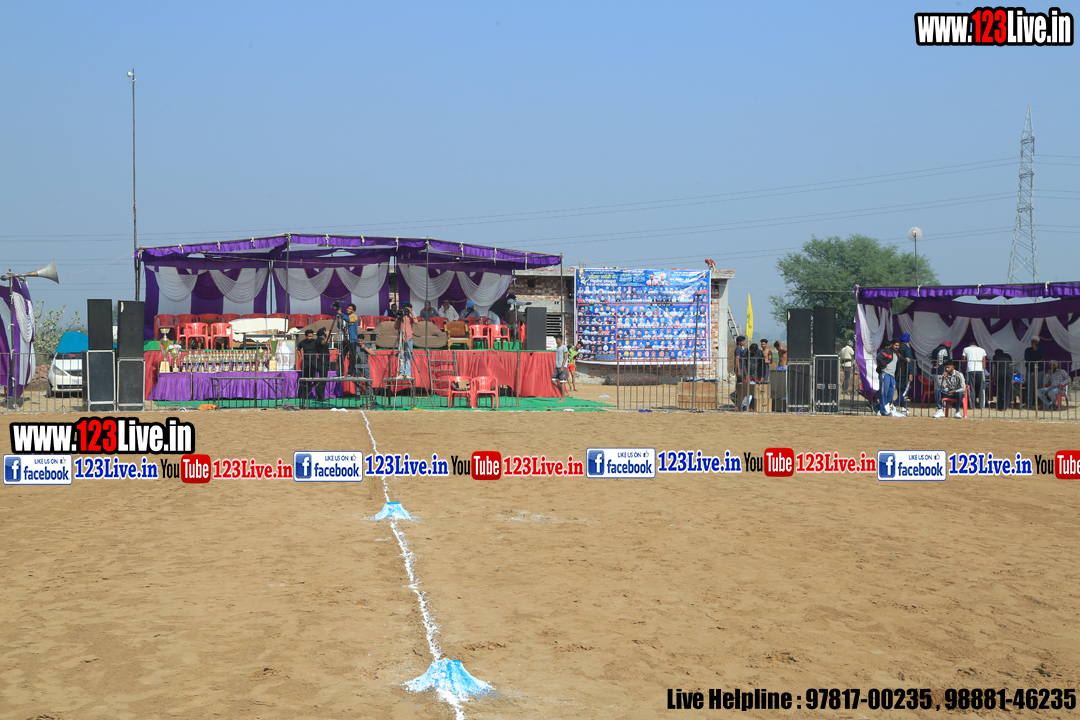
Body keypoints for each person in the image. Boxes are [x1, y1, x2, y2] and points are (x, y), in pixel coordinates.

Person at [875, 338, 904, 417]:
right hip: (885, 373)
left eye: (898, 345)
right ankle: (883, 410)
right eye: (895, 345)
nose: (897, 347)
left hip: (892, 376)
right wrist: (883, 364)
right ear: (892, 345)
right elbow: (879, 358)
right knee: (883, 393)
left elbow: (901, 358)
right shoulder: (887, 352)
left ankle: (877, 407)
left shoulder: (897, 353)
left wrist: (907, 360)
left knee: (891, 394)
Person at [297, 329, 326, 401]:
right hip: (306, 363)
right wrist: (301, 357)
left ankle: (319, 396)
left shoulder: (315, 342)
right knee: (305, 380)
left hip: (314, 363)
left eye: (312, 336)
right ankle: (304, 396)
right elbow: (298, 349)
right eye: (309, 336)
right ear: (306, 336)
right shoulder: (302, 342)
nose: (311, 338)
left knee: (316, 380)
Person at [335, 303, 360, 380]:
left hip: (352, 340)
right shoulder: (344, 317)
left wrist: (340, 313)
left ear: (353, 311)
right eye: (347, 308)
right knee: (340, 356)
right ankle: (340, 373)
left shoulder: (354, 316)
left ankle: (350, 373)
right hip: (345, 340)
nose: (347, 309)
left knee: (352, 357)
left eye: (350, 309)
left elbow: (349, 320)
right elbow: (340, 327)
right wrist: (338, 321)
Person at [962, 339, 987, 409]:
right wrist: (983, 370)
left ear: (969, 344)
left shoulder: (966, 349)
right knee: (982, 387)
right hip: (980, 370)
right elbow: (984, 361)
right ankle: (982, 405)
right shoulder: (982, 350)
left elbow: (963, 360)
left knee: (970, 387)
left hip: (970, 369)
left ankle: (972, 405)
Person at [394, 303, 417, 378]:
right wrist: (399, 318)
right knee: (401, 356)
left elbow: (416, 322)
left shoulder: (410, 316)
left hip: (409, 338)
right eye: (405, 309)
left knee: (409, 356)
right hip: (401, 338)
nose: (406, 311)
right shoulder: (400, 316)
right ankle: (402, 373)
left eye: (408, 309)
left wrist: (411, 312)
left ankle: (408, 374)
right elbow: (395, 327)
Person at [1024, 338, 1045, 408]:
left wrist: (1035, 350)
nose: (1033, 342)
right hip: (1029, 370)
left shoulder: (1041, 349)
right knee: (1029, 388)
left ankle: (1040, 404)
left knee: (1039, 388)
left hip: (1039, 371)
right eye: (1032, 341)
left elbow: (1040, 356)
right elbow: (1027, 358)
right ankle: (1029, 404)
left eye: (1035, 341)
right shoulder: (1028, 350)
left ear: (1038, 342)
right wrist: (1037, 359)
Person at [895, 333, 913, 413]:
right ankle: (895, 404)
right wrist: (910, 373)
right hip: (905, 372)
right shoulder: (906, 349)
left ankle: (903, 406)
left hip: (896, 371)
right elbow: (909, 361)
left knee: (899, 390)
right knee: (904, 390)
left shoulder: (897, 348)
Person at [551, 333, 568, 400]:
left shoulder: (564, 347)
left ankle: (563, 398)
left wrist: (562, 367)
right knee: (553, 380)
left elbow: (565, 357)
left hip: (562, 367)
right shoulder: (557, 348)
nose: (556, 340)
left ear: (560, 339)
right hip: (557, 366)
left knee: (562, 382)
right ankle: (563, 392)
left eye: (557, 339)